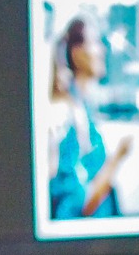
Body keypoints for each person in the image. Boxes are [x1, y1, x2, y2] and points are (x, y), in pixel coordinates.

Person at [45, 16, 133, 220]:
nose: (102, 50)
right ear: (76, 54)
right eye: (95, 42)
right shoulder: (68, 115)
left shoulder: (84, 109)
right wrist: (118, 158)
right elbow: (78, 205)